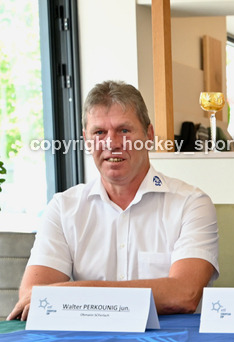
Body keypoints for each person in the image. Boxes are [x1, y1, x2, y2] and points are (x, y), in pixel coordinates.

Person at [8, 81, 218, 320]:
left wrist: (74, 293)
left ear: (148, 136)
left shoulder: (191, 204)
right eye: (99, 133)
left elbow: (183, 294)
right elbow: (33, 298)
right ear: (86, 140)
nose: (112, 143)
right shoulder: (63, 207)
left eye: (124, 130)